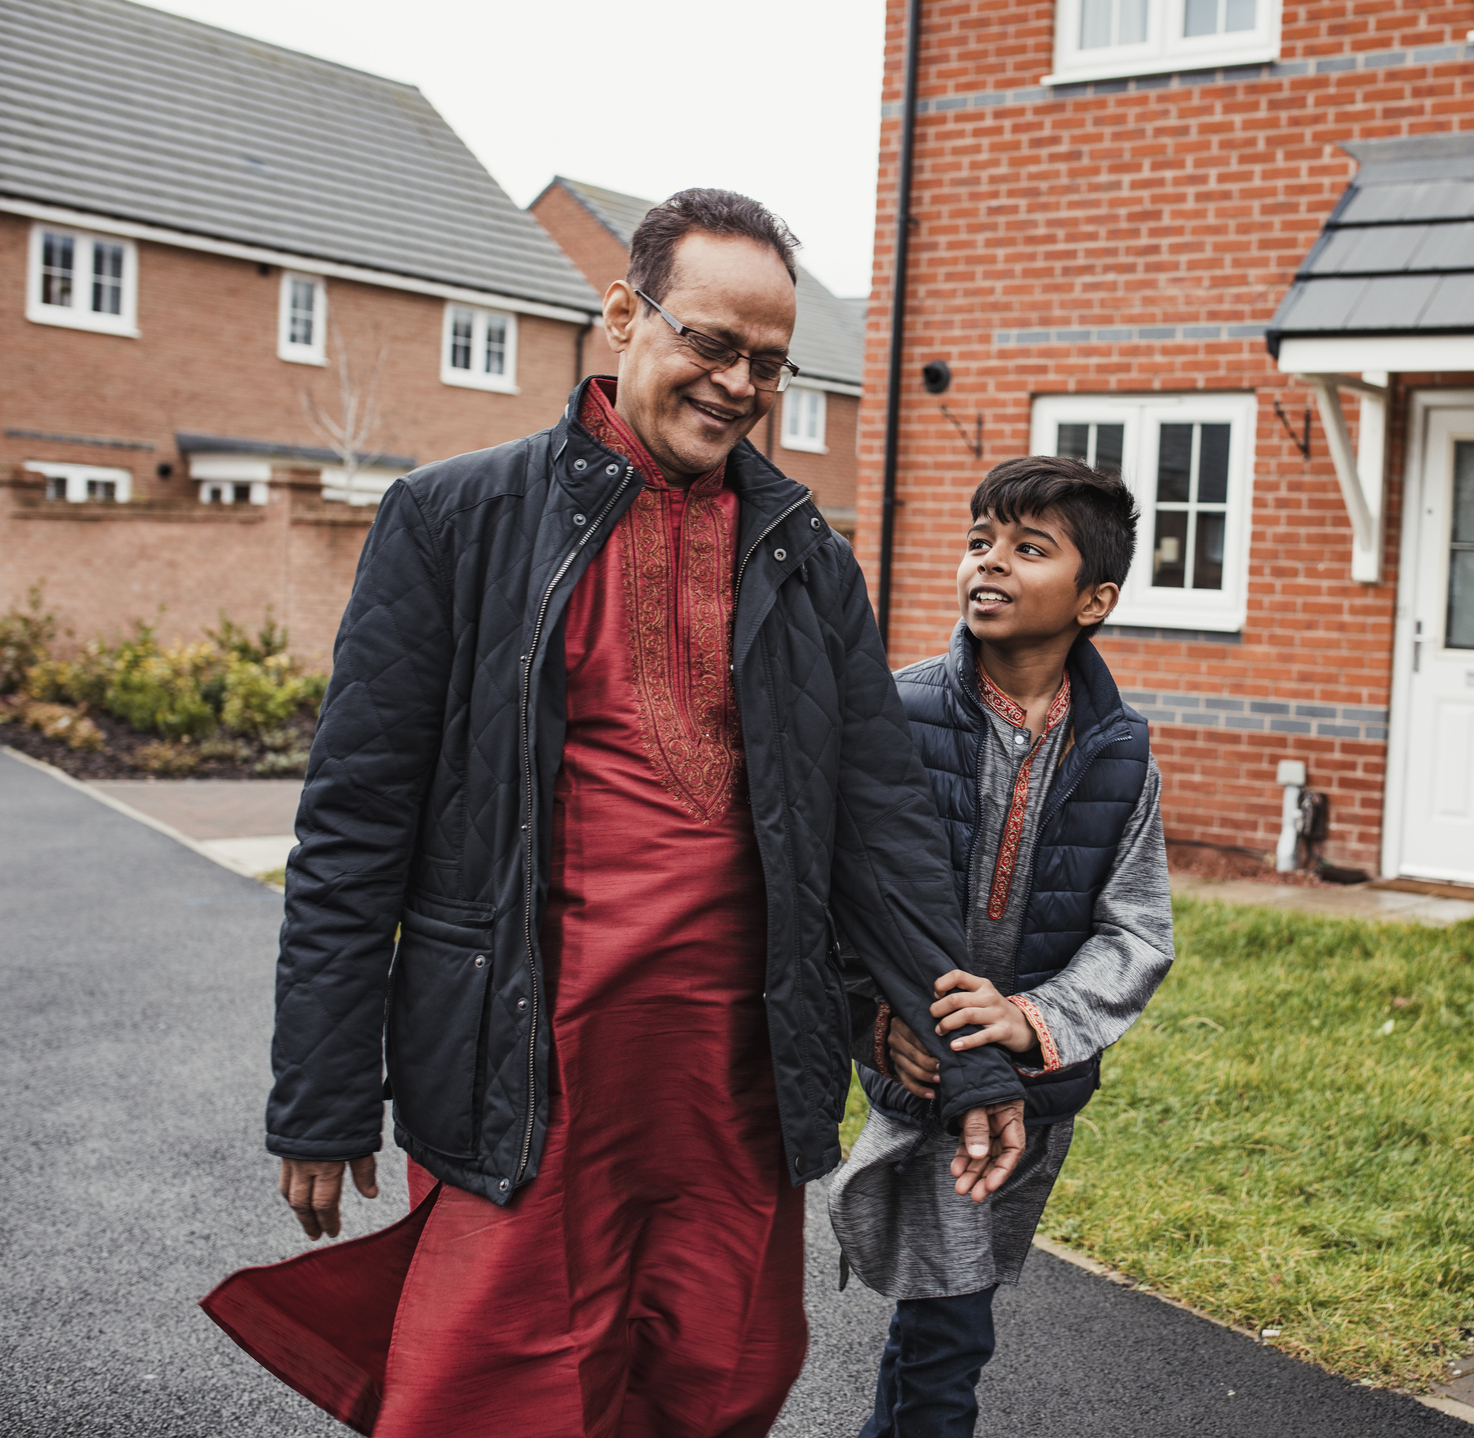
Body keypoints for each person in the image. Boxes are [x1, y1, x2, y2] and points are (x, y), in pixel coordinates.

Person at [200, 189, 1027, 1438]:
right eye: (709, 341)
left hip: (732, 1081)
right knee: (497, 1386)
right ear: (624, 312)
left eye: (768, 360)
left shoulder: (809, 557)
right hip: (528, 1068)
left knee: (714, 1377)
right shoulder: (454, 522)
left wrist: (962, 1047)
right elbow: (353, 827)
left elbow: (880, 825)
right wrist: (320, 1091)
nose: (739, 382)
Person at [826, 454, 1176, 1438]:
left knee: (939, 1319)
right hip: (922, 1071)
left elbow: (1136, 930)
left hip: (1030, 1084)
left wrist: (1032, 1021)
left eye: (1029, 548)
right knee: (949, 1335)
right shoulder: (894, 714)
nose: (991, 562)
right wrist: (880, 1013)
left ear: (1095, 598)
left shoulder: (1117, 750)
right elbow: (836, 899)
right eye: (979, 539)